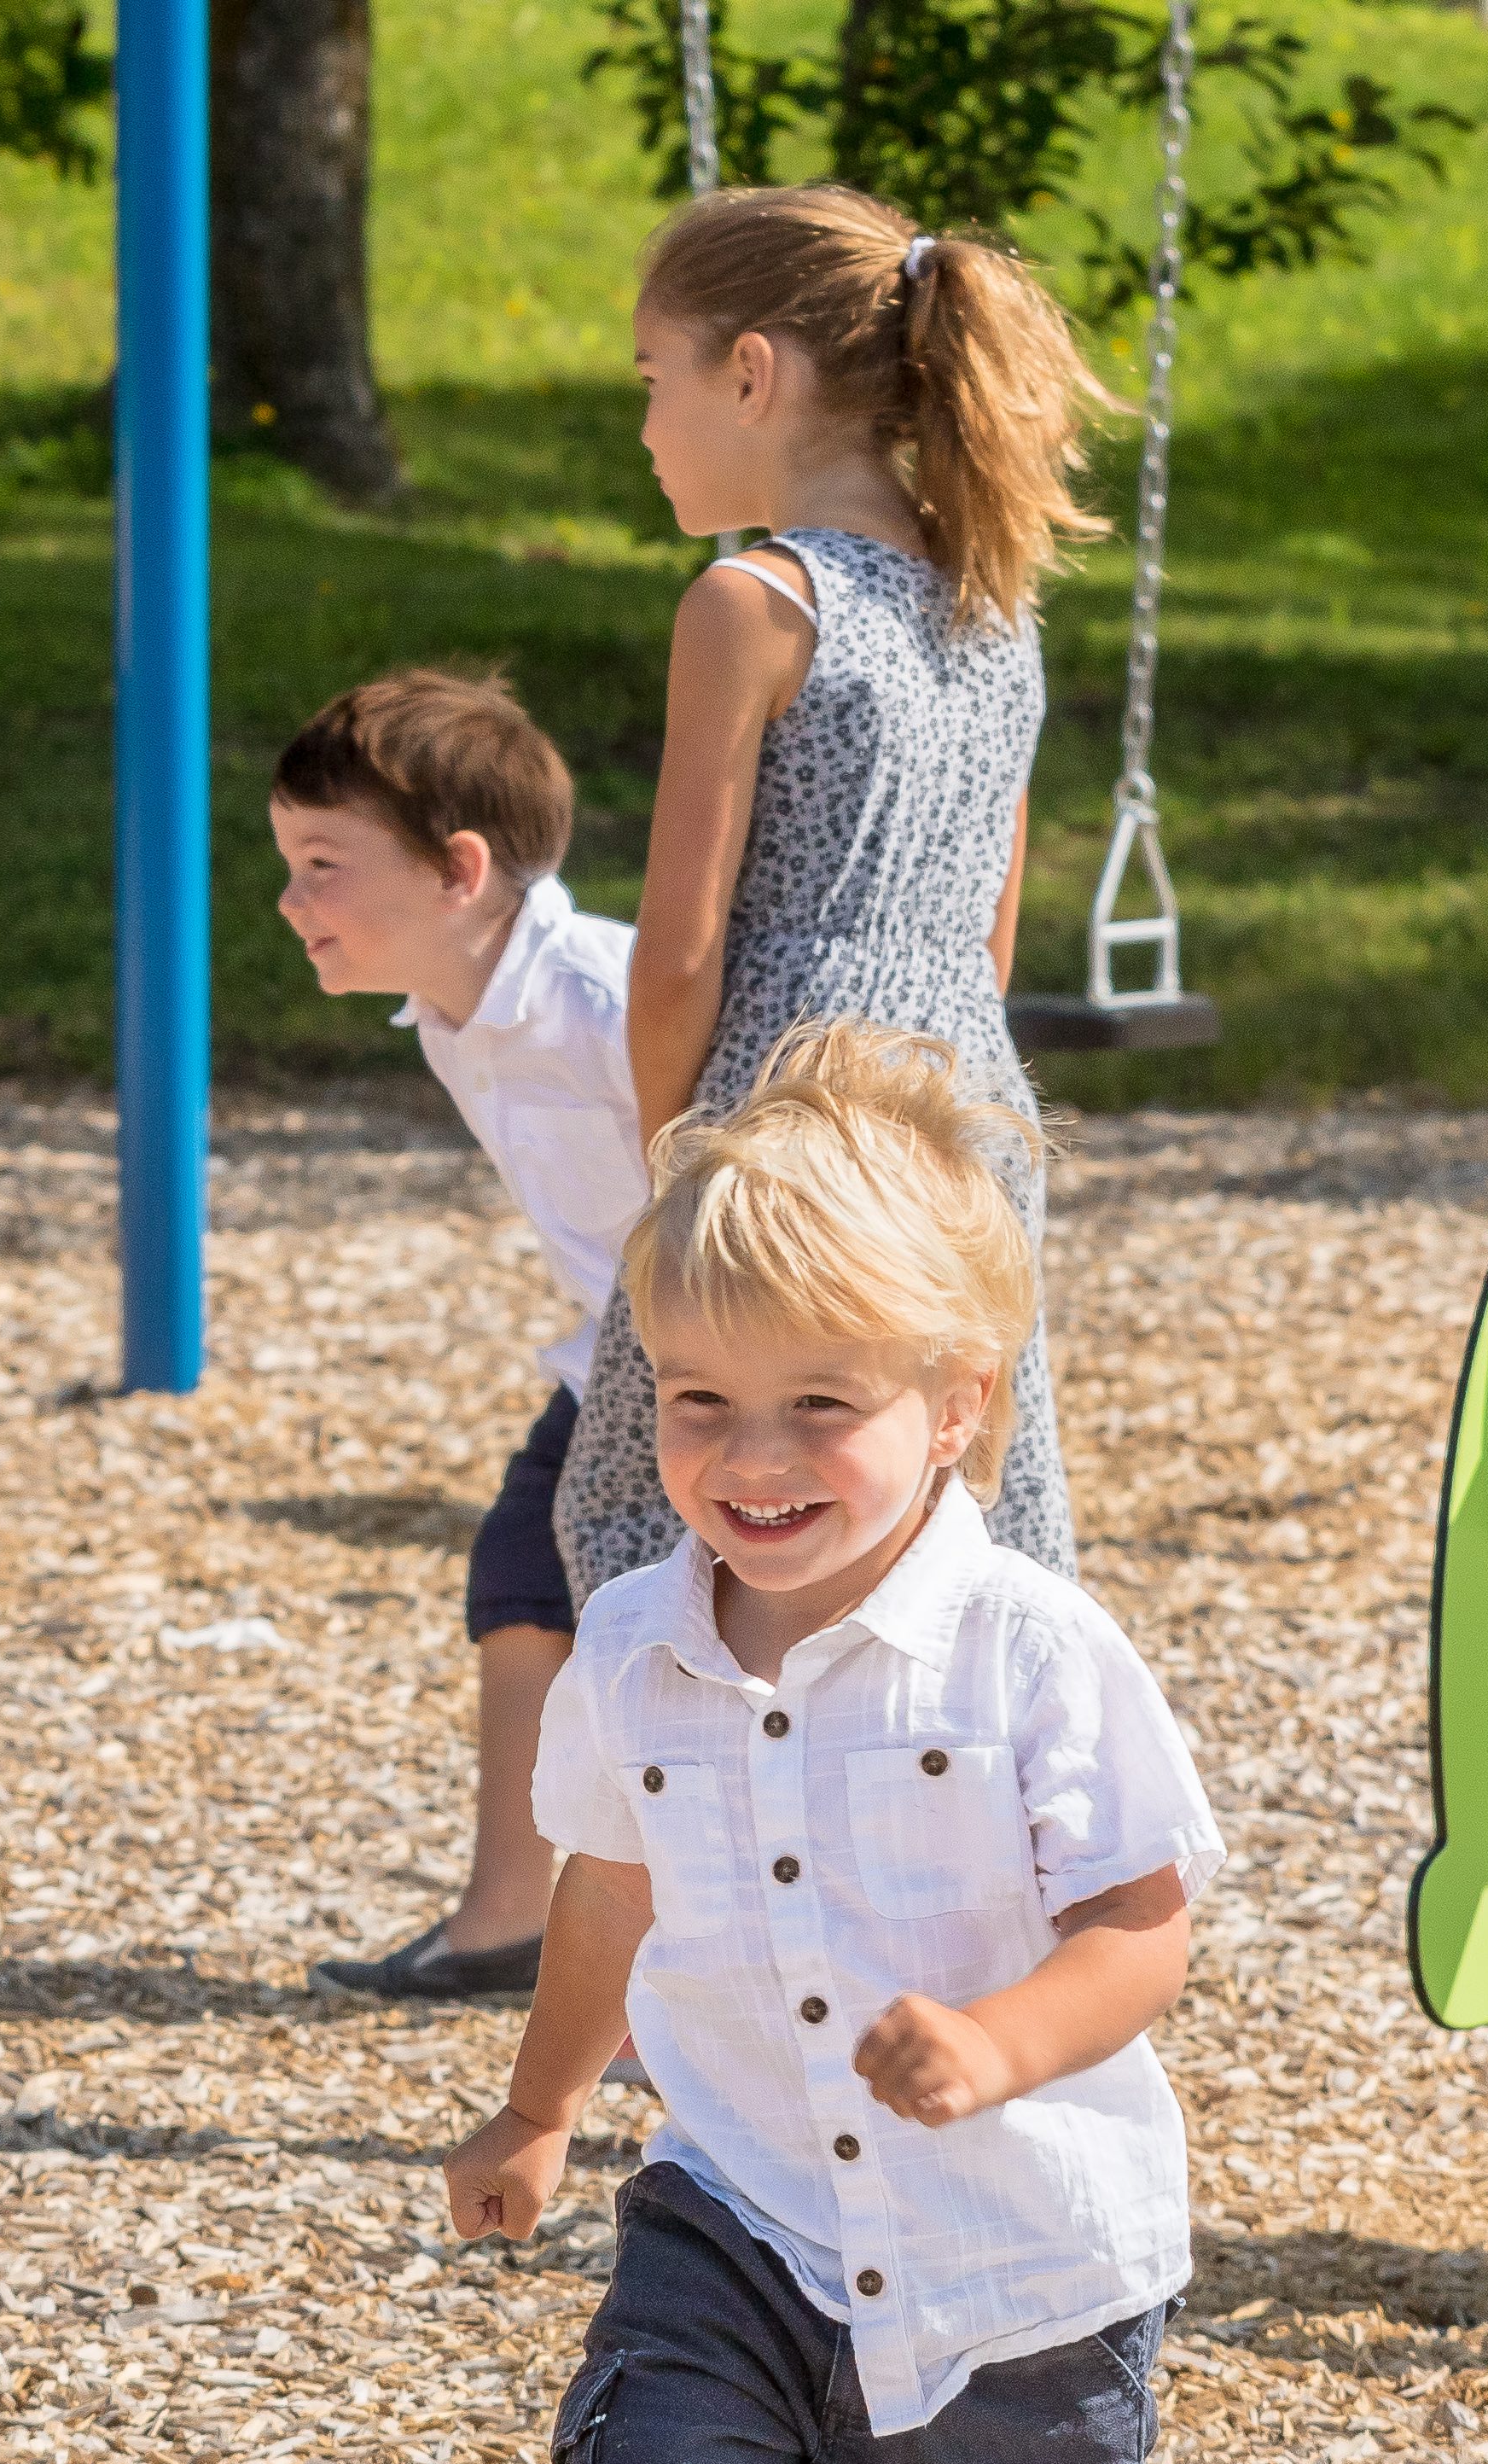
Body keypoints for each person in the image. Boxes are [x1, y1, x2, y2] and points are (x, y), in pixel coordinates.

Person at [445, 1021, 1268, 2464]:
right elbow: (610, 1894)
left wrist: (997, 2041)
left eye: (824, 1403)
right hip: (733, 2204)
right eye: (702, 1403)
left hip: (1008, 2249)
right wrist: (542, 2106)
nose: (756, 1453)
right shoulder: (632, 1642)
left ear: (958, 1409)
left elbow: (1147, 1926)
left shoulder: (1032, 1649)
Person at [550, 183, 1101, 1613]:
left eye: (649, 380)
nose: (644, 426)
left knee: (666, 1506)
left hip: (781, 1092)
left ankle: (701, 1810)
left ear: (750, 375)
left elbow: (678, 955)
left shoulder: (753, 604)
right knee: (929, 1472)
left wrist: (674, 1156)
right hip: (965, 1099)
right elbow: (989, 930)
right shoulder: (994, 606)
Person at [270, 670, 648, 2006]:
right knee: (522, 1578)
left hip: (710, 1362)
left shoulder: (608, 999)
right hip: (621, 1350)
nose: (289, 901)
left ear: (459, 871)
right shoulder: (453, 1012)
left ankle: (686, 1946)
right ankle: (505, 1922)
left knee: (659, 1621)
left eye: (322, 866)